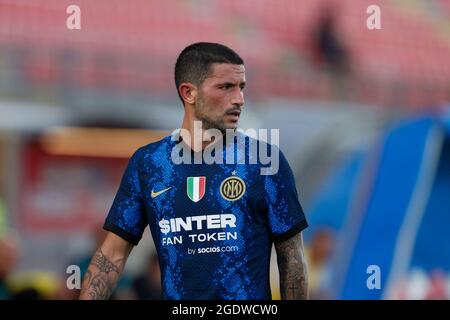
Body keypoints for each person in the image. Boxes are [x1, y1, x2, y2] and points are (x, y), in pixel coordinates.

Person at [79, 42, 309, 300]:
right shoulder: (149, 163)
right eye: (225, 87)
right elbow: (112, 254)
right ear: (189, 93)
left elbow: (292, 257)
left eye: (241, 87)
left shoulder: (263, 161)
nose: (239, 99)